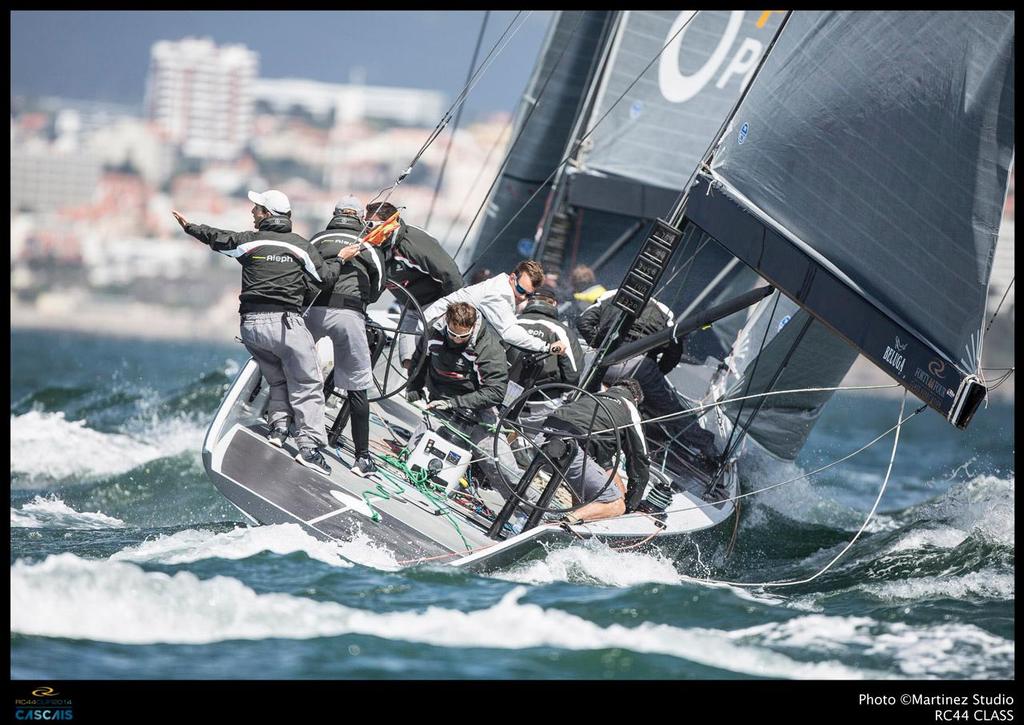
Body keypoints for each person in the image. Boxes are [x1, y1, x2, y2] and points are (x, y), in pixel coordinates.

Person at [172, 190, 341, 475]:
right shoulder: (300, 246)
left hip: (250, 327)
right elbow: (326, 279)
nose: (252, 212)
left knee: (277, 379)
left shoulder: (249, 242)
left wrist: (190, 228)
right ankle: (309, 448)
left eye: (257, 208)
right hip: (285, 326)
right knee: (307, 385)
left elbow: (218, 238)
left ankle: (278, 430)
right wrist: (340, 259)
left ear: (267, 214)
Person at [405, 302, 522, 499]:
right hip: (440, 403)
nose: (457, 339)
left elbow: (495, 392)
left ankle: (530, 511)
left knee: (503, 468)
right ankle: (418, 486)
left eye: (463, 336)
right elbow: (420, 360)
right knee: (414, 454)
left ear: (473, 327)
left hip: (477, 410)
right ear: (447, 322)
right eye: (453, 334)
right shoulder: (434, 330)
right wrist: (414, 387)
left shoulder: (488, 347)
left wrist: (455, 403)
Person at [306, 195, 386, 477]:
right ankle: (362, 459)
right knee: (357, 387)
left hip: (314, 311)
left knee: (298, 369)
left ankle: (280, 425)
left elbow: (305, 272)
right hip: (350, 315)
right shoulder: (369, 245)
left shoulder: (317, 239)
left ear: (335, 214)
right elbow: (378, 286)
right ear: (361, 218)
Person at [532, 378, 649, 522]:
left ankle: (574, 520)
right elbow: (640, 460)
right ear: (636, 399)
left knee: (586, 493)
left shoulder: (593, 396)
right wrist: (629, 507)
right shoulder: (630, 408)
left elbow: (602, 459)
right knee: (616, 505)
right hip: (568, 450)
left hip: (541, 441)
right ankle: (564, 523)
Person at [364, 201, 463, 369]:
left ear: (388, 225)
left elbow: (450, 273)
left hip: (436, 303)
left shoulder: (411, 243)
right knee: (407, 355)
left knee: (434, 352)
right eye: (364, 224)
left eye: (370, 224)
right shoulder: (375, 247)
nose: (366, 229)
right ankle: (414, 388)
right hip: (411, 306)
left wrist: (458, 312)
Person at [416, 260, 568, 369]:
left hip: (445, 332)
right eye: (521, 291)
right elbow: (509, 332)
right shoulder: (498, 294)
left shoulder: (504, 287)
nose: (522, 297)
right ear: (512, 278)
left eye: (528, 295)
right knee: (496, 358)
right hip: (434, 330)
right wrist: (546, 346)